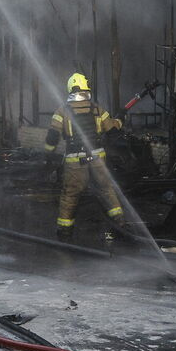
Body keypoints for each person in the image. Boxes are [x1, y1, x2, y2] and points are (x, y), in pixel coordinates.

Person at [44, 72, 125, 238]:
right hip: (98, 158)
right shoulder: (97, 109)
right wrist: (120, 121)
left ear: (70, 88)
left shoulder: (62, 111)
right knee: (106, 189)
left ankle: (64, 230)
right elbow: (112, 129)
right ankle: (121, 223)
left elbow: (52, 136)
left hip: (75, 161)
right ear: (85, 88)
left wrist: (48, 154)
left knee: (70, 194)